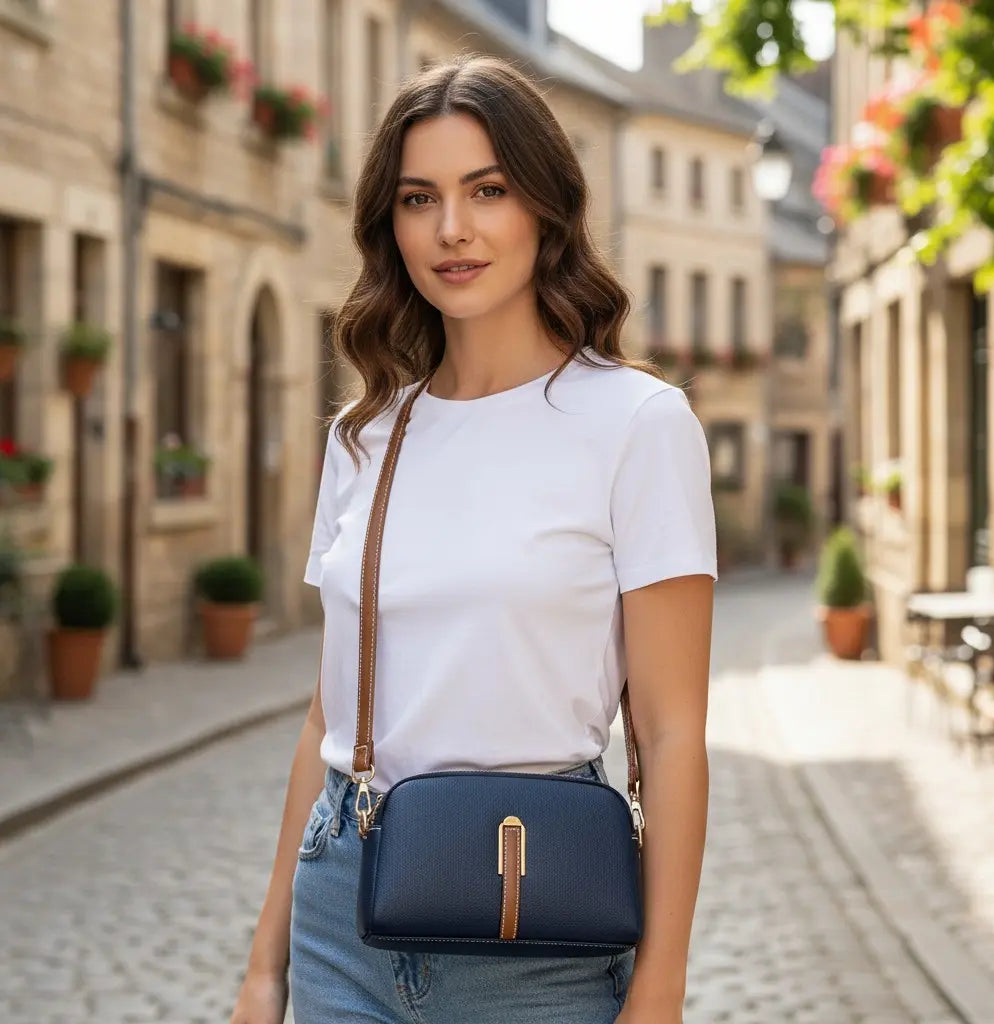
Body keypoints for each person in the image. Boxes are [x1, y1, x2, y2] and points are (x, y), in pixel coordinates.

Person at [230, 53, 716, 1024]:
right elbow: (325, 717)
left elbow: (670, 736)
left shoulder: (636, 424)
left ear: (544, 206)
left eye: (486, 190)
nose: (452, 229)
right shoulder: (362, 436)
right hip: (343, 921)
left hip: (538, 927)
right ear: (390, 224)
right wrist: (264, 970)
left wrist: (658, 990)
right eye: (419, 198)